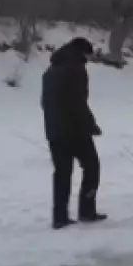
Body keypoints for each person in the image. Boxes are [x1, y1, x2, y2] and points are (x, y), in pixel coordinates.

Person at [41, 37, 105, 229]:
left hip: (54, 130)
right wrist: (91, 125)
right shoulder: (76, 69)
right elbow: (77, 102)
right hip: (75, 130)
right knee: (92, 166)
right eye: (88, 55)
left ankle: (59, 217)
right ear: (83, 52)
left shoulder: (50, 71)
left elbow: (45, 103)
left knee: (62, 173)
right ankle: (86, 211)